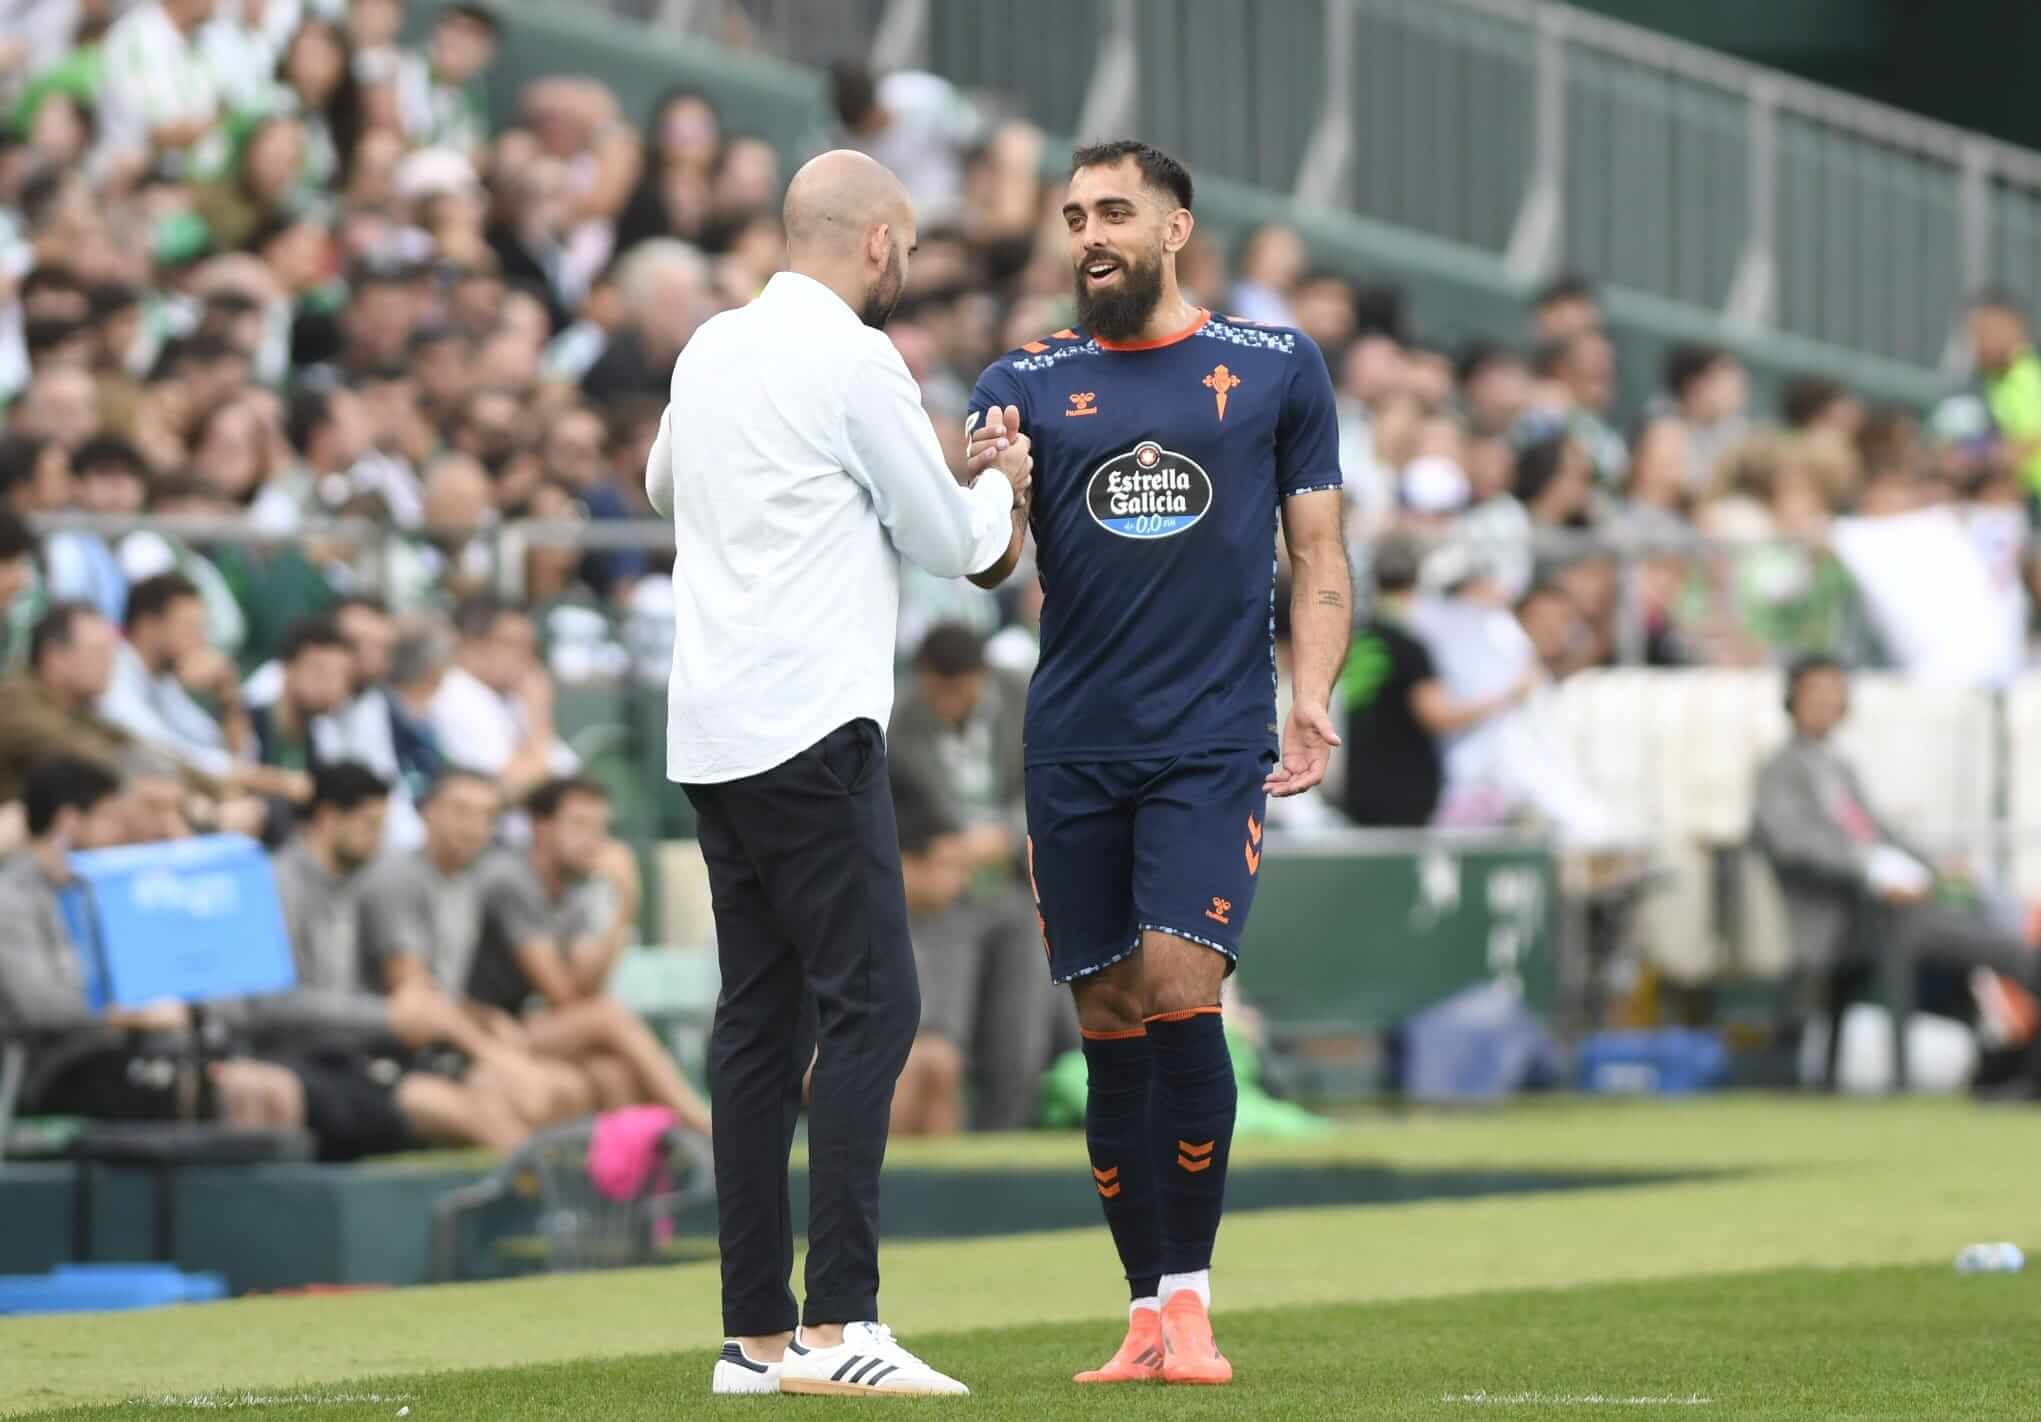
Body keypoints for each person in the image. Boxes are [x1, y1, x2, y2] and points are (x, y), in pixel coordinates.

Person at [962, 139, 1348, 1387]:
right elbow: (986, 563)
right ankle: (1140, 1310)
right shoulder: (1020, 379)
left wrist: (1312, 696)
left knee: (1181, 985)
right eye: (1074, 215)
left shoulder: (1275, 367)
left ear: (1175, 228)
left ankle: (1192, 1301)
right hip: (1071, 742)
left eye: (1115, 211)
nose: (1090, 234)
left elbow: (1319, 560)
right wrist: (997, 494)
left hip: (1208, 739)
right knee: (1106, 1019)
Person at [647, 149, 1030, 1398]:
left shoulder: (709, 347)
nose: (907, 266)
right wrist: (1000, 490)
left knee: (759, 1025)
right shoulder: (858, 356)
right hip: (810, 724)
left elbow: (661, 485)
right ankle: (839, 1321)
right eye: (907, 246)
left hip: (710, 731)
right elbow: (947, 545)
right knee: (875, 1006)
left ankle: (753, 1340)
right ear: (877, 243)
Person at [1753, 658, 2041, 1095]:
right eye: (1819, 692)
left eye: (1837, 690)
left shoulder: (1838, 766)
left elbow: (1883, 833)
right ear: (1793, 700)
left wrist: (1935, 867)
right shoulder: (1779, 770)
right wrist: (1870, 870)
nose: (1831, 701)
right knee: (2006, 951)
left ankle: (2014, 1060)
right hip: (1847, 917)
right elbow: (1795, 843)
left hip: (1892, 909)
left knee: (1992, 924)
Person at [0, 757, 304, 1131]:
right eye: (110, 817)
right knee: (204, 1094)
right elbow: (40, 1005)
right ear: (69, 821)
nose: (121, 829)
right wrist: (129, 1013)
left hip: (136, 1051)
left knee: (273, 1089)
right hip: (53, 1065)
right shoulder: (12, 898)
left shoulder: (101, 888)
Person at [243, 761, 530, 1152]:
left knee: (499, 1102)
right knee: (470, 1113)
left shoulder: (357, 882)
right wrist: (388, 1016)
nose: (379, 841)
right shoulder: (277, 883)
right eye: (370, 825)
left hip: (354, 1055)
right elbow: (267, 1007)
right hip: (294, 1059)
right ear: (328, 818)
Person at [464, 776, 711, 1130]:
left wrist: (624, 902)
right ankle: (700, 1122)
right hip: (480, 1030)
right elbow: (563, 995)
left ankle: (633, 1174)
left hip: (527, 1026)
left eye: (601, 827)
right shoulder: (509, 879)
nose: (594, 838)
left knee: (613, 1074)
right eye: (579, 823)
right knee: (608, 1017)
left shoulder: (575, 887)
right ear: (541, 826)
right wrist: (621, 905)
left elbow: (587, 987)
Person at [886, 623, 1057, 1134]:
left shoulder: (1024, 697)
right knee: (940, 1038)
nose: (949, 702)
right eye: (939, 691)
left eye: (959, 690)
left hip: (1017, 887)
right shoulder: (899, 721)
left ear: (980, 678)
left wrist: (999, 838)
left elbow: (1055, 786)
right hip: (942, 895)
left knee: (1019, 1045)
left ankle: (1000, 1156)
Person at [1339, 536, 1539, 828]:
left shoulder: (1357, 637)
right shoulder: (1410, 645)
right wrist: (1509, 694)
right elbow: (1438, 715)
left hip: (1357, 785)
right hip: (1400, 793)